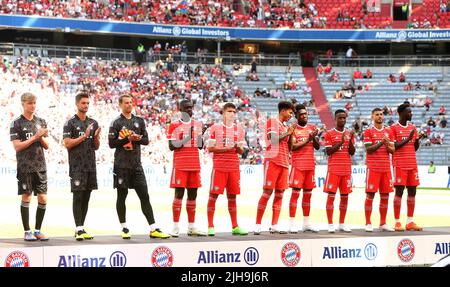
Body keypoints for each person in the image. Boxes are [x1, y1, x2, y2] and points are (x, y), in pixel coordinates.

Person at [108, 94, 170, 239]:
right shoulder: (116, 122)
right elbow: (111, 144)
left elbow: (146, 140)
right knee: (122, 196)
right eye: (126, 103)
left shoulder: (139, 121)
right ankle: (124, 228)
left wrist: (137, 138)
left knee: (144, 195)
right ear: (120, 105)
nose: (129, 105)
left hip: (136, 165)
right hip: (121, 165)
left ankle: (153, 228)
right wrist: (126, 139)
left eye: (131, 102)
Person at [10, 92, 50, 241]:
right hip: (25, 166)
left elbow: (46, 146)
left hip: (40, 165)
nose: (33, 106)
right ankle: (27, 231)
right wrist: (35, 137)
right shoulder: (16, 123)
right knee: (26, 197)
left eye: (34, 103)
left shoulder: (41, 121)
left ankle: (38, 230)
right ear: (23, 104)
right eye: (29, 103)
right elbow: (17, 147)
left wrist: (41, 137)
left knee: (43, 198)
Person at [63, 92, 101, 241]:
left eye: (87, 103)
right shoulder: (70, 123)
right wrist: (83, 136)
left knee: (87, 196)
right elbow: (67, 143)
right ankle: (78, 228)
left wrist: (96, 137)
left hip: (90, 165)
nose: (86, 105)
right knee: (78, 196)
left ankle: (81, 228)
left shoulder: (93, 123)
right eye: (83, 103)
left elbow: (96, 146)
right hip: (77, 166)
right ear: (77, 104)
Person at [206, 102, 248, 236]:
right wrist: (227, 149)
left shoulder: (240, 130)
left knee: (232, 197)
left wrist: (237, 148)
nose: (232, 114)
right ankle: (210, 226)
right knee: (213, 196)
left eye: (234, 112)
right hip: (219, 167)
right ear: (223, 113)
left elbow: (242, 152)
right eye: (229, 111)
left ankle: (235, 226)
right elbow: (210, 148)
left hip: (234, 168)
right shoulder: (215, 128)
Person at [254, 101, 296, 235]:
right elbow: (272, 139)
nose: (291, 115)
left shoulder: (286, 126)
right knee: (267, 192)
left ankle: (274, 224)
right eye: (290, 112)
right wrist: (287, 133)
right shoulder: (273, 121)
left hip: (284, 162)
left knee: (280, 194)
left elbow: (290, 148)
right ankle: (257, 224)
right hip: (272, 160)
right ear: (283, 110)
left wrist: (291, 134)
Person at [167, 100, 206, 237]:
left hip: (194, 165)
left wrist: (202, 136)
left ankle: (191, 226)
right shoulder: (174, 125)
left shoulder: (197, 125)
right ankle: (176, 226)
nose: (189, 110)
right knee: (179, 195)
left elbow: (200, 146)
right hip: (180, 165)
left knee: (193, 195)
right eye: (186, 108)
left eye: (191, 108)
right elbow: (172, 146)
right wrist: (187, 137)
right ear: (180, 109)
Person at [390, 103, 424, 231]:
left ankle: (410, 221)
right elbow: (395, 146)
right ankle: (397, 222)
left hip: (412, 164)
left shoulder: (412, 127)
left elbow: (414, 148)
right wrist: (408, 138)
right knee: (399, 192)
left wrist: (416, 140)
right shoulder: (393, 128)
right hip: (400, 164)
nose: (411, 114)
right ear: (401, 113)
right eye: (409, 112)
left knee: (412, 192)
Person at [288, 104, 320, 233]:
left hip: (310, 166)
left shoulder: (312, 127)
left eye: (306, 114)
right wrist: (308, 139)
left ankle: (306, 223)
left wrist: (314, 138)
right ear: (296, 116)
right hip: (298, 165)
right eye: (301, 114)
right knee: (295, 194)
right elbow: (293, 147)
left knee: (308, 195)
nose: (304, 116)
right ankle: (292, 223)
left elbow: (317, 147)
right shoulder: (293, 128)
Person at [362, 108, 396, 232]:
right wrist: (382, 142)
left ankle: (383, 223)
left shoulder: (389, 131)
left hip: (386, 168)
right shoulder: (368, 131)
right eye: (377, 114)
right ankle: (368, 222)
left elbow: (393, 150)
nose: (380, 116)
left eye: (381, 114)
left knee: (385, 195)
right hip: (373, 168)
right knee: (370, 194)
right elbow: (368, 149)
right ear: (372, 116)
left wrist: (387, 145)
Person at [323, 109, 355, 233]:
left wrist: (350, 140)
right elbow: (328, 151)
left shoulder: (349, 133)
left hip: (346, 170)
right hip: (334, 170)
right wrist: (341, 142)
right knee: (331, 197)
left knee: (345, 197)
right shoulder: (329, 134)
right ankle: (330, 223)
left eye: (344, 118)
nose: (342, 120)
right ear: (335, 119)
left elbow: (352, 152)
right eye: (340, 118)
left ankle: (342, 223)